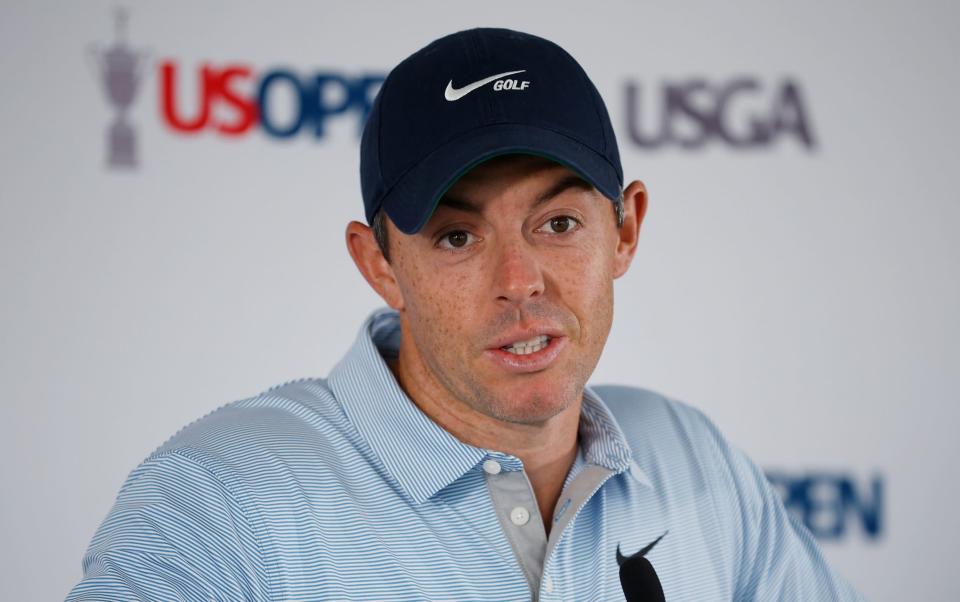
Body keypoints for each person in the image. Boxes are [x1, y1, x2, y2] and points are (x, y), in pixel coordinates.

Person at [66, 28, 864, 601]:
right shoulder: (221, 497)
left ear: (625, 230)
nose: (520, 282)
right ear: (378, 263)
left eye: (558, 224)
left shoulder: (699, 464)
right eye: (456, 236)